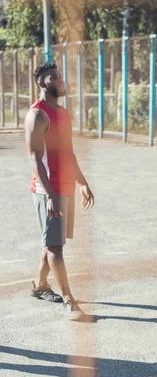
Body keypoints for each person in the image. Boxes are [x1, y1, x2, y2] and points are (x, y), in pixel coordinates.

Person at [24, 62, 94, 321]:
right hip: (47, 190)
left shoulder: (62, 113)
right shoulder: (37, 115)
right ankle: (69, 301)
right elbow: (33, 158)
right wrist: (51, 194)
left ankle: (40, 285)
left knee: (53, 240)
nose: (61, 81)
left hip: (64, 187)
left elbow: (67, 152)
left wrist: (82, 182)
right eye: (55, 77)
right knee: (55, 246)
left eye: (61, 76)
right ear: (43, 83)